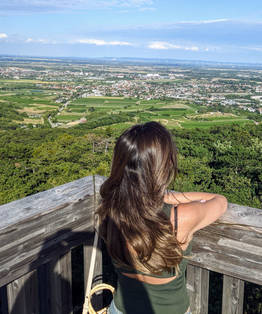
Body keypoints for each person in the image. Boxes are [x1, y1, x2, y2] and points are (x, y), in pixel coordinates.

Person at [96, 122, 227, 314]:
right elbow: (220, 201)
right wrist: (165, 197)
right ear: (162, 168)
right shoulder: (180, 217)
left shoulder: (108, 209)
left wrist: (151, 196)